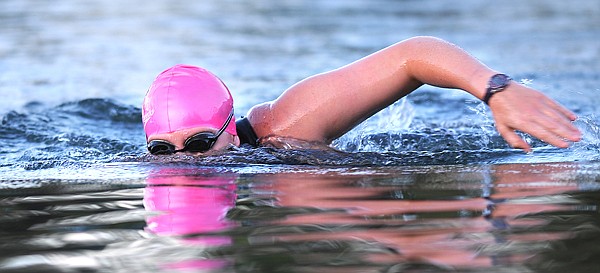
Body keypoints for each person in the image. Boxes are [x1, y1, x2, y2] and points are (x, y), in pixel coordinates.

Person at [141, 36, 581, 155]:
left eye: (199, 145)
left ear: (231, 136)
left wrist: (495, 89)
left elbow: (411, 57)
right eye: (163, 151)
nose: (182, 164)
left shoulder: (287, 124)